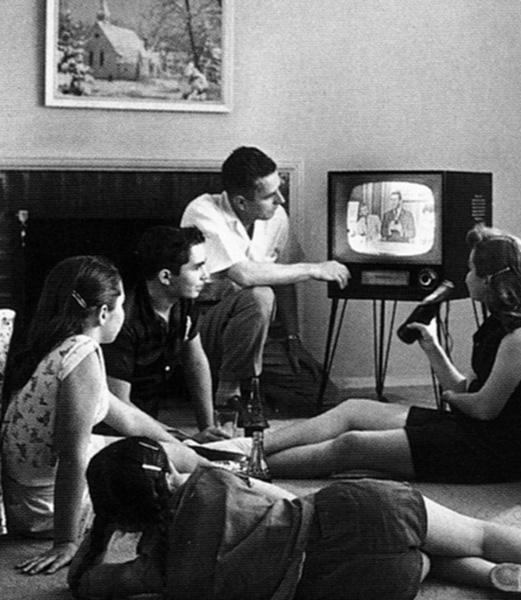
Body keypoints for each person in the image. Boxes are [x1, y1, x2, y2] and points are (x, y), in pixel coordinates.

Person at [68, 436, 521, 599]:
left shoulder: (163, 574)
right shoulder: (211, 481)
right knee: (479, 530)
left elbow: (87, 586)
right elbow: (276, 495)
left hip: (353, 585)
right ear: (168, 474)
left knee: (427, 562)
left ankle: (493, 580)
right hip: (359, 514)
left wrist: (100, 531)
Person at [219, 225, 521, 483]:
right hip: (470, 428)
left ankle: (242, 468)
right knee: (353, 409)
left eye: (473, 269)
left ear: (490, 280)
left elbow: (483, 408)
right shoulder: (501, 324)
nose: (467, 276)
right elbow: (467, 391)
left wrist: (449, 398)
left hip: (490, 453)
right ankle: (246, 449)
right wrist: (432, 347)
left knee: (352, 445)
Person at [1, 256, 203, 575]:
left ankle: (228, 461)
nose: (124, 314)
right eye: (121, 306)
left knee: (182, 453)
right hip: (46, 508)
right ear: (103, 313)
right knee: (176, 473)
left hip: (29, 498)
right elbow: (72, 457)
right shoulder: (81, 353)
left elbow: (127, 418)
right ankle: (235, 471)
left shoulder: (59, 346)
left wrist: (185, 442)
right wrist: (66, 542)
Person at [180, 146, 350, 404]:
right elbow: (244, 275)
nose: (281, 199)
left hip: (254, 333)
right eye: (270, 195)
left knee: (324, 396)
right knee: (260, 294)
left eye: (279, 189)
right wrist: (314, 269)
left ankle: (244, 381)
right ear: (241, 202)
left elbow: (284, 276)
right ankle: (229, 391)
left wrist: (292, 337)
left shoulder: (276, 215)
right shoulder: (202, 211)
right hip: (203, 327)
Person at [101, 226, 228, 443]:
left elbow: (196, 363)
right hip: (115, 432)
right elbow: (120, 406)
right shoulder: (124, 320)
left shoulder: (184, 302)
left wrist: (208, 428)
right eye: (197, 267)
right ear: (166, 276)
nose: (206, 276)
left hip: (152, 425)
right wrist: (182, 440)